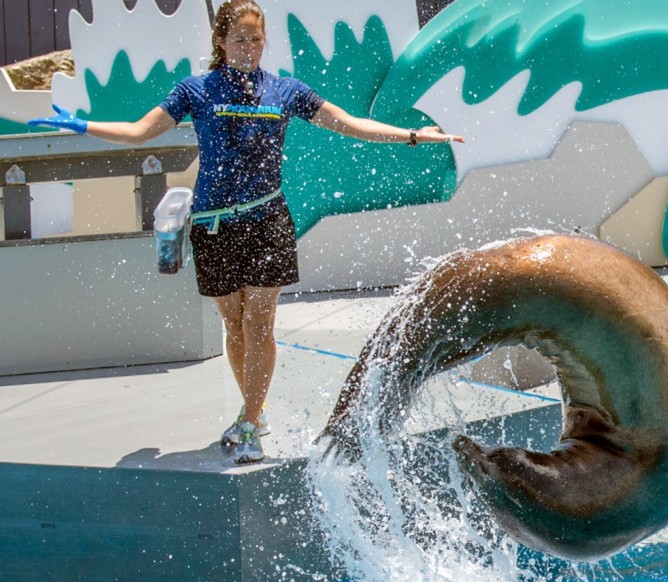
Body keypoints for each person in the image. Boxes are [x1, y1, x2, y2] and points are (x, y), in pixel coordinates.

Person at [29, 0, 463, 465]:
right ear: (221, 42)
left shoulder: (284, 90)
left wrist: (414, 136)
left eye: (256, 38)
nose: (249, 47)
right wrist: (82, 126)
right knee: (234, 325)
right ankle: (253, 409)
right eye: (240, 38)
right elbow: (140, 132)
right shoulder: (196, 90)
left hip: (267, 219)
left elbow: (350, 125)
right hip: (215, 225)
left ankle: (252, 421)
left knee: (259, 323)